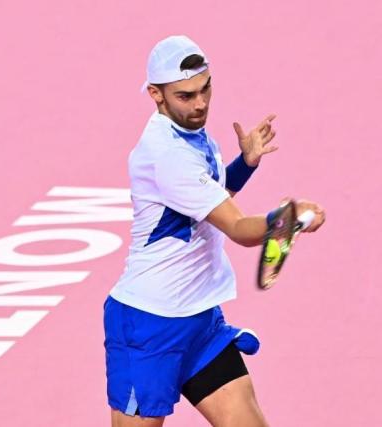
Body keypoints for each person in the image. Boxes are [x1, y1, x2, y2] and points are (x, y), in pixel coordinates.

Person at [104, 35, 326, 427]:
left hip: (199, 321)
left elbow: (208, 202)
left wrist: (245, 163)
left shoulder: (190, 135)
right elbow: (239, 229)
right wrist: (285, 217)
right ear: (156, 94)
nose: (201, 103)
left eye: (205, 88)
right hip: (149, 325)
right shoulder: (167, 155)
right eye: (186, 95)